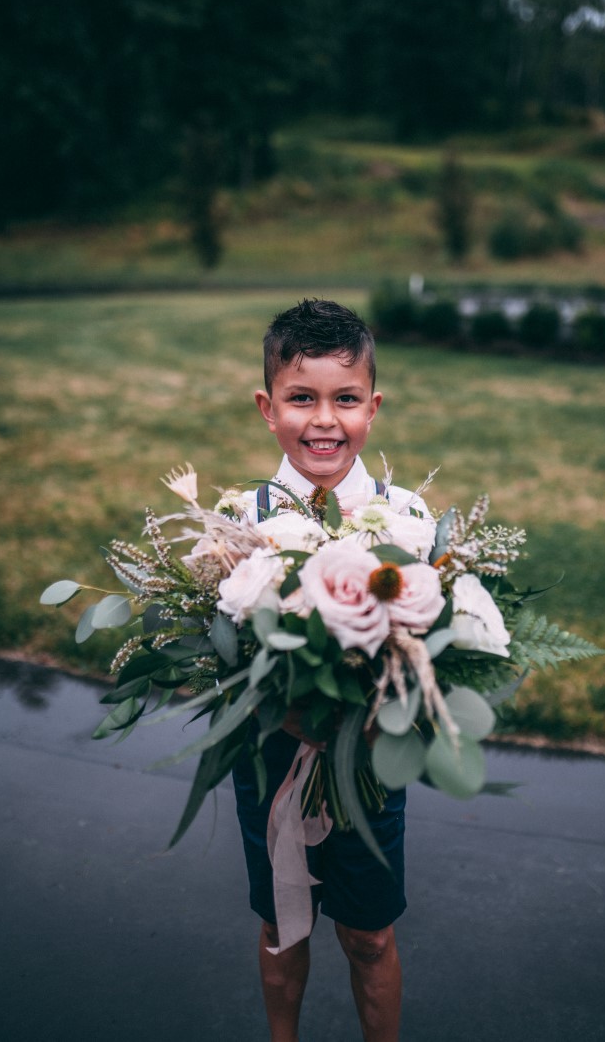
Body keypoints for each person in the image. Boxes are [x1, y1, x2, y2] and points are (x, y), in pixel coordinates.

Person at [232, 298, 430, 1042]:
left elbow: (428, 644)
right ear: (268, 406)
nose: (324, 420)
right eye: (301, 398)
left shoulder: (406, 517)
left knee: (368, 935)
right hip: (270, 759)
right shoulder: (239, 523)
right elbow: (216, 653)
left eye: (345, 399)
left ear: (372, 408)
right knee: (284, 925)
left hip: (370, 761)